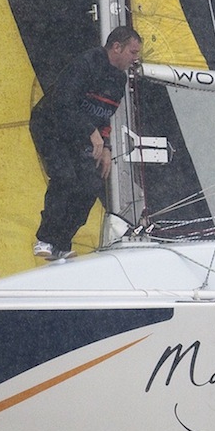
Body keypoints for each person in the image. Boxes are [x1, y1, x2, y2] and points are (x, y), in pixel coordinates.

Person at [29, 25, 143, 260]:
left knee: (90, 185)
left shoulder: (118, 80)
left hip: (80, 132)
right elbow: (63, 102)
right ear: (117, 47)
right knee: (65, 177)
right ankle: (45, 238)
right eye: (132, 52)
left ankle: (61, 242)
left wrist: (107, 147)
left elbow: (104, 114)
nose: (135, 58)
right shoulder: (87, 63)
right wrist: (91, 132)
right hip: (51, 125)